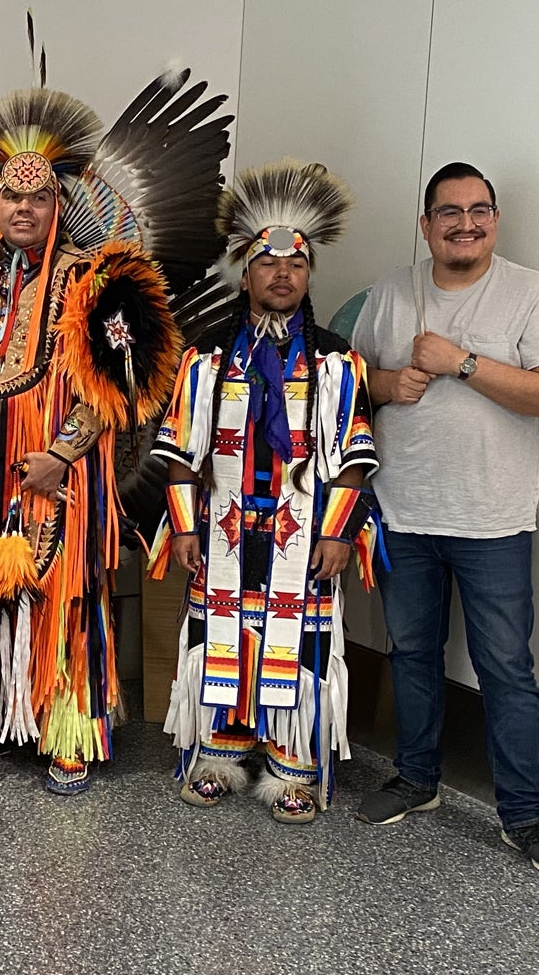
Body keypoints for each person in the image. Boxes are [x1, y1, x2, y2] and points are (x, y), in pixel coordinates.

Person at [0, 71, 227, 794]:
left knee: (63, 597)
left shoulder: (94, 282)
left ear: (60, 203)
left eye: (39, 196)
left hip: (61, 470)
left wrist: (61, 453)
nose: (24, 208)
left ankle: (67, 732)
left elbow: (120, 390)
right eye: (13, 196)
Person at [351, 162, 539, 880]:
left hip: (494, 521)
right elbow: (351, 385)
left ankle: (523, 817)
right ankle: (416, 780)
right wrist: (389, 383)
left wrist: (462, 364)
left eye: (479, 210)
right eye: (449, 212)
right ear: (427, 224)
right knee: (413, 655)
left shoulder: (531, 293)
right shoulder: (392, 291)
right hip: (404, 513)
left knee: (507, 672)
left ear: (495, 219)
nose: (465, 222)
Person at [148, 161, 380, 822]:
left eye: (296, 266)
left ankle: (291, 767)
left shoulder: (337, 364)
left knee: (298, 643)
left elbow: (355, 460)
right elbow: (179, 454)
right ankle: (218, 753)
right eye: (267, 264)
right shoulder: (208, 358)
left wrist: (338, 534)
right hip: (224, 530)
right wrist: (187, 527)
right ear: (245, 273)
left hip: (303, 535)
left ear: (308, 276)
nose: (283, 275)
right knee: (221, 633)